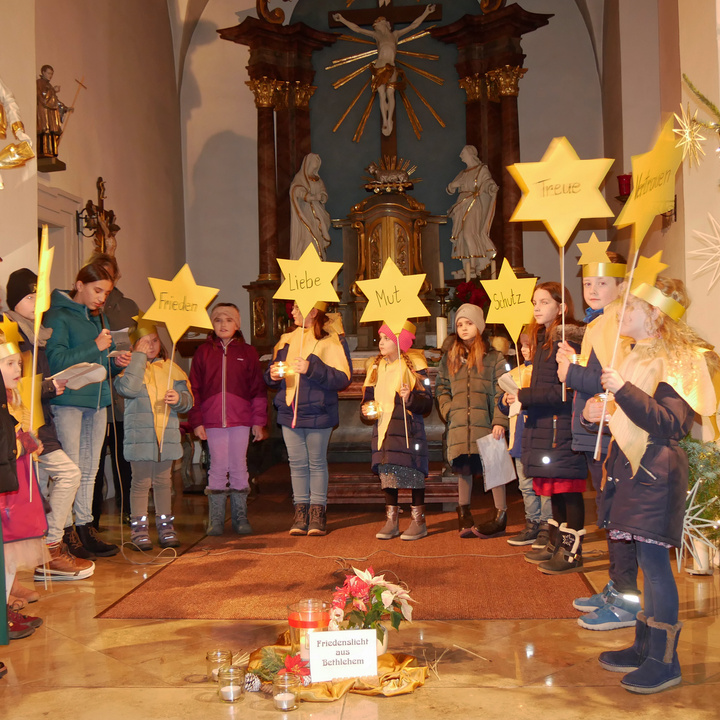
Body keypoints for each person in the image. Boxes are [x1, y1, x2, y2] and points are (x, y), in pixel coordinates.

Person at [588, 277, 719, 694]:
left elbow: (671, 423)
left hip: (657, 471)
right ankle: (645, 647)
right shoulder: (636, 354)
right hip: (634, 469)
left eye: (630, 307)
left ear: (654, 314)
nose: (621, 313)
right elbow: (629, 413)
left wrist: (621, 391)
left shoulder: (676, 359)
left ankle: (666, 662)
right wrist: (602, 409)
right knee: (645, 564)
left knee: (656, 568)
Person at [556, 253, 640, 631]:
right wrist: (573, 364)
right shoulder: (598, 324)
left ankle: (626, 599)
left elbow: (610, 380)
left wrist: (569, 372)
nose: (592, 289)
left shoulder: (621, 324)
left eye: (602, 283)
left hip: (612, 433)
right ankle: (615, 587)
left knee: (618, 517)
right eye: (588, 283)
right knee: (607, 515)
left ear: (621, 285)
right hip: (592, 432)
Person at [3, 270, 95, 584]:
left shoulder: (36, 332)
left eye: (37, 296)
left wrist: (53, 385)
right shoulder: (10, 331)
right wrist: (47, 389)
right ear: (15, 300)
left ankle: (44, 554)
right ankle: (49, 548)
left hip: (40, 422)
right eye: (29, 297)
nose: (35, 302)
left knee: (36, 494)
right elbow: (16, 387)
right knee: (64, 477)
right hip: (22, 427)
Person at [44, 260, 132, 558]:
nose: (101, 298)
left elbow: (98, 364)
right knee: (70, 470)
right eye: (97, 290)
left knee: (90, 469)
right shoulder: (57, 315)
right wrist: (96, 346)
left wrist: (115, 364)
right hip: (68, 402)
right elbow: (56, 361)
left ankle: (85, 527)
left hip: (97, 401)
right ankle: (65, 531)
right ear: (79, 285)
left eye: (106, 293)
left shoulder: (100, 318)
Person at [505, 282, 588, 574]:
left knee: (568, 489)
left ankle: (571, 554)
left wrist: (524, 396)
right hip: (544, 424)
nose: (537, 308)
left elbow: (561, 393)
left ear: (561, 307)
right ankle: (555, 544)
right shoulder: (543, 340)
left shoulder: (568, 342)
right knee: (553, 489)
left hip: (561, 426)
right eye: (535, 302)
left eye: (544, 302)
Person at [266, 302, 351, 536]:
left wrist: (310, 368)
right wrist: (272, 374)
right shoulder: (287, 339)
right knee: (297, 464)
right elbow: (273, 372)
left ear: (313, 311)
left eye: (296, 308)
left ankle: (317, 512)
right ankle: (300, 511)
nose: (291, 312)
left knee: (316, 463)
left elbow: (343, 378)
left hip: (318, 412)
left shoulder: (330, 340)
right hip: (290, 411)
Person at [189, 303, 267, 536]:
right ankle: (215, 519)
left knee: (239, 467)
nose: (223, 324)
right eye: (218, 320)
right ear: (211, 324)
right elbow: (194, 389)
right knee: (217, 467)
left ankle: (240, 517)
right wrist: (197, 421)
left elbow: (258, 390)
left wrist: (258, 421)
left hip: (241, 420)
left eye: (229, 320)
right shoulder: (203, 352)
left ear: (238, 324)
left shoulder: (248, 353)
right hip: (213, 421)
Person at [115, 316, 193, 549]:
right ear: (133, 346)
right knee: (140, 482)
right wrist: (137, 358)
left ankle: (166, 526)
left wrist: (179, 399)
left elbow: (188, 401)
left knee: (163, 481)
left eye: (155, 340)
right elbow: (128, 389)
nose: (151, 345)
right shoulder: (128, 371)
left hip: (166, 438)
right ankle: (139, 528)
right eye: (144, 342)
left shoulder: (171, 369)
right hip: (140, 440)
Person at [435, 304, 508, 537]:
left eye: (469, 323)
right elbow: (441, 388)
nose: (464, 328)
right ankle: (464, 512)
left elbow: (501, 390)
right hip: (460, 422)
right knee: (464, 466)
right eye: (459, 324)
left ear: (480, 325)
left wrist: (499, 419)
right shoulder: (450, 357)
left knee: (494, 465)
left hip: (486, 421)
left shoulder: (494, 357)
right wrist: (449, 410)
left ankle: (501, 513)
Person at [363, 323, 432, 540]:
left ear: (399, 341)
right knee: (388, 472)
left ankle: (418, 521)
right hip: (384, 428)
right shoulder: (375, 366)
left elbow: (426, 403)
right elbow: (367, 399)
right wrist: (366, 410)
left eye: (386, 338)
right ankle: (391, 520)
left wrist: (409, 398)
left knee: (413, 471)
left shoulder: (414, 364)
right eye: (380, 338)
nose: (381, 343)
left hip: (407, 429)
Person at [0, 329, 49, 640]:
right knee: (4, 557)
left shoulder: (11, 398)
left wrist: (30, 440)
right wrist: (20, 445)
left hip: (14, 486)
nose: (18, 370)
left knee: (7, 560)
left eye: (18, 363)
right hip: (6, 493)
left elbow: (17, 434)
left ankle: (5, 607)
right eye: (9, 364)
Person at [332, 5, 436, 136]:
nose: (376, 26)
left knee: (390, 93)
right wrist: (342, 19)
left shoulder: (395, 35)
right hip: (379, 66)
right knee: (382, 94)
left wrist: (426, 12)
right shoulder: (376, 36)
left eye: (378, 23)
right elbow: (357, 29)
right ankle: (385, 121)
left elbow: (413, 25)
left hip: (391, 67)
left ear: (385, 24)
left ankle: (389, 118)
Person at [90, 253, 138, 529]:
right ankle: (91, 520)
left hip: (120, 397)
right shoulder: (83, 308)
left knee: (124, 460)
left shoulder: (128, 306)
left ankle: (129, 510)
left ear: (116, 277)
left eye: (108, 276)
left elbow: (143, 342)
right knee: (93, 464)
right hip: (93, 395)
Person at [500, 335, 553, 547]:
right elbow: (503, 406)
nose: (524, 349)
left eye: (529, 345)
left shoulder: (544, 373)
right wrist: (505, 399)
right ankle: (531, 524)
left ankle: (546, 527)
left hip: (540, 435)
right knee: (525, 484)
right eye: (522, 345)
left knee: (544, 484)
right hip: (520, 436)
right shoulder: (516, 373)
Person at [446, 145, 498, 276]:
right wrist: (454, 185)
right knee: (462, 236)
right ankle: (467, 267)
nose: (460, 156)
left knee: (470, 233)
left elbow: (487, 183)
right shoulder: (463, 173)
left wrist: (491, 188)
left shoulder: (481, 170)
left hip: (474, 204)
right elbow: (450, 189)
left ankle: (474, 266)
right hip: (461, 205)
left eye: (462, 153)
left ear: (470, 154)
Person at [290, 153, 331, 261]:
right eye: (315, 160)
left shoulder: (318, 180)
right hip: (305, 211)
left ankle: (318, 259)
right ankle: (306, 260)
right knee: (308, 236)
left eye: (318, 161)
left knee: (318, 236)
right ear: (308, 163)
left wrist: (322, 197)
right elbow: (296, 190)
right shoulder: (301, 178)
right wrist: (309, 197)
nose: (317, 163)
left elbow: (323, 192)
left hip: (318, 212)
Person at [36, 65, 72, 159]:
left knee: (54, 131)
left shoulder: (48, 85)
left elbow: (55, 101)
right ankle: (44, 151)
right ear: (43, 72)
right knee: (46, 131)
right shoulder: (39, 83)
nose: (50, 76)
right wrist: (53, 90)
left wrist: (64, 107)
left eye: (52, 74)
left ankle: (52, 151)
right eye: (49, 73)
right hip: (44, 112)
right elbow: (42, 97)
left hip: (51, 113)